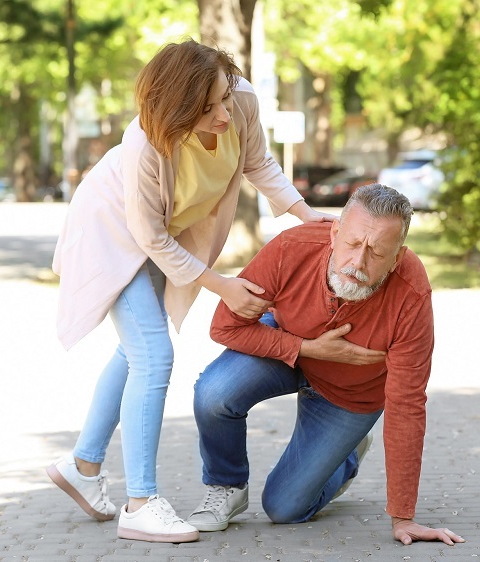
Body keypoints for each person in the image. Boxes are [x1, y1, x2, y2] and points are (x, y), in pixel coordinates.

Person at [47, 38, 334, 544]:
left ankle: (83, 466)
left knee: (136, 350)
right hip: (112, 230)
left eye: (225, 97)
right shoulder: (144, 146)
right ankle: (140, 504)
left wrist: (307, 215)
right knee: (153, 356)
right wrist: (222, 285)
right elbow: (149, 236)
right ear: (177, 110)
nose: (225, 113)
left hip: (161, 234)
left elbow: (258, 162)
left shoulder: (239, 99)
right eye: (209, 108)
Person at [188, 183, 465, 546]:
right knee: (214, 392)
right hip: (287, 351)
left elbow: (407, 405)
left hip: (350, 394)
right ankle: (227, 486)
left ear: (397, 257)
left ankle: (346, 456)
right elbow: (224, 326)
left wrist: (403, 517)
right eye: (352, 244)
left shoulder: (411, 294)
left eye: (377, 253)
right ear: (335, 231)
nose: (358, 263)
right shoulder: (292, 248)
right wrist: (307, 348)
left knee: (283, 508)